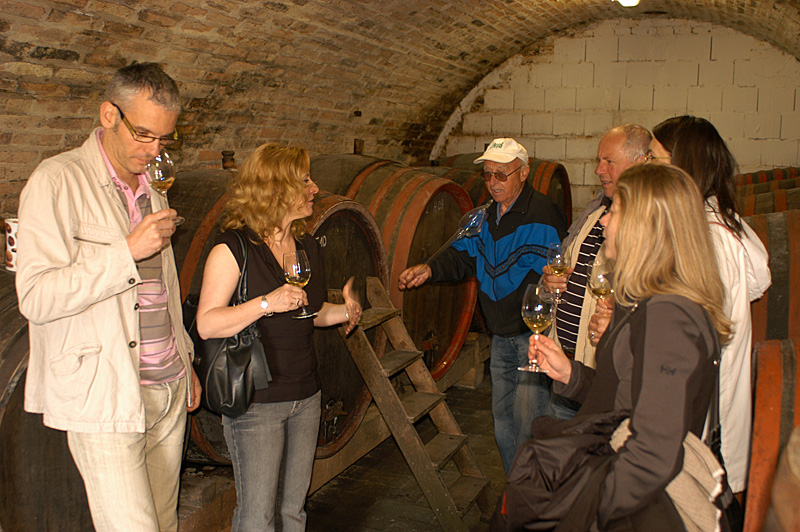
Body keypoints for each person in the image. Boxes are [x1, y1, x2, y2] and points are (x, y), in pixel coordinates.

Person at [15, 62, 202, 532]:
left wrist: (185, 359)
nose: (154, 149)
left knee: (165, 524)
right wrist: (125, 252)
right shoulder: (57, 181)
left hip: (167, 385)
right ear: (108, 115)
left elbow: (162, 286)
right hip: (108, 393)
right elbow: (36, 297)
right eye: (144, 134)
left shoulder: (153, 185)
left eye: (165, 139)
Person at [526, 163, 732, 528]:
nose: (604, 221)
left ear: (644, 227)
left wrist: (587, 510)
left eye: (615, 211)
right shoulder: (641, 302)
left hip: (630, 510)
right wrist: (571, 374)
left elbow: (652, 454)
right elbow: (624, 400)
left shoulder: (670, 318)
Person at [194, 144, 362, 532]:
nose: (315, 188)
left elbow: (310, 312)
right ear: (276, 188)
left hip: (307, 394)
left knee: (293, 510)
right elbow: (207, 324)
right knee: (258, 517)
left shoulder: (306, 248)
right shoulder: (233, 248)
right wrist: (267, 302)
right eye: (305, 180)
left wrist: (346, 311)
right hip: (258, 401)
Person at [398, 138, 567, 474]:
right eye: (488, 174)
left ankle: (532, 494)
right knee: (502, 422)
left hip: (533, 338)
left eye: (502, 174)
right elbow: (462, 255)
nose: (493, 182)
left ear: (523, 173)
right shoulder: (484, 215)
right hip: (500, 336)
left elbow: (558, 274)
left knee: (529, 423)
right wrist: (429, 268)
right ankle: (515, 487)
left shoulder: (544, 215)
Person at [649, 115, 771, 493]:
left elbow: (698, 340)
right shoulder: (712, 225)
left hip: (699, 417)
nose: (646, 167)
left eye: (654, 159)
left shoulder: (709, 240)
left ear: (684, 167)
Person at [540, 124, 651, 419]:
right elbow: (561, 263)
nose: (599, 170)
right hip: (568, 371)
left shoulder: (646, 229)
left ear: (639, 163)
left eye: (609, 161)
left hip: (601, 382)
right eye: (598, 160)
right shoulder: (596, 210)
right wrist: (549, 281)